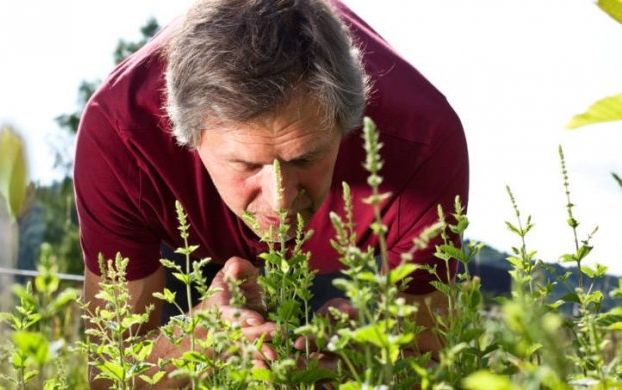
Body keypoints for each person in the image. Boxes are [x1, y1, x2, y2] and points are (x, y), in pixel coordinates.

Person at [75, 0, 468, 387]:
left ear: (345, 126)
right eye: (246, 166)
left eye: (306, 158)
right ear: (187, 137)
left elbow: (429, 361)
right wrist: (197, 339)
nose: (280, 200)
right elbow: (111, 373)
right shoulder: (121, 136)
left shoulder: (423, 141)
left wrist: (370, 355)